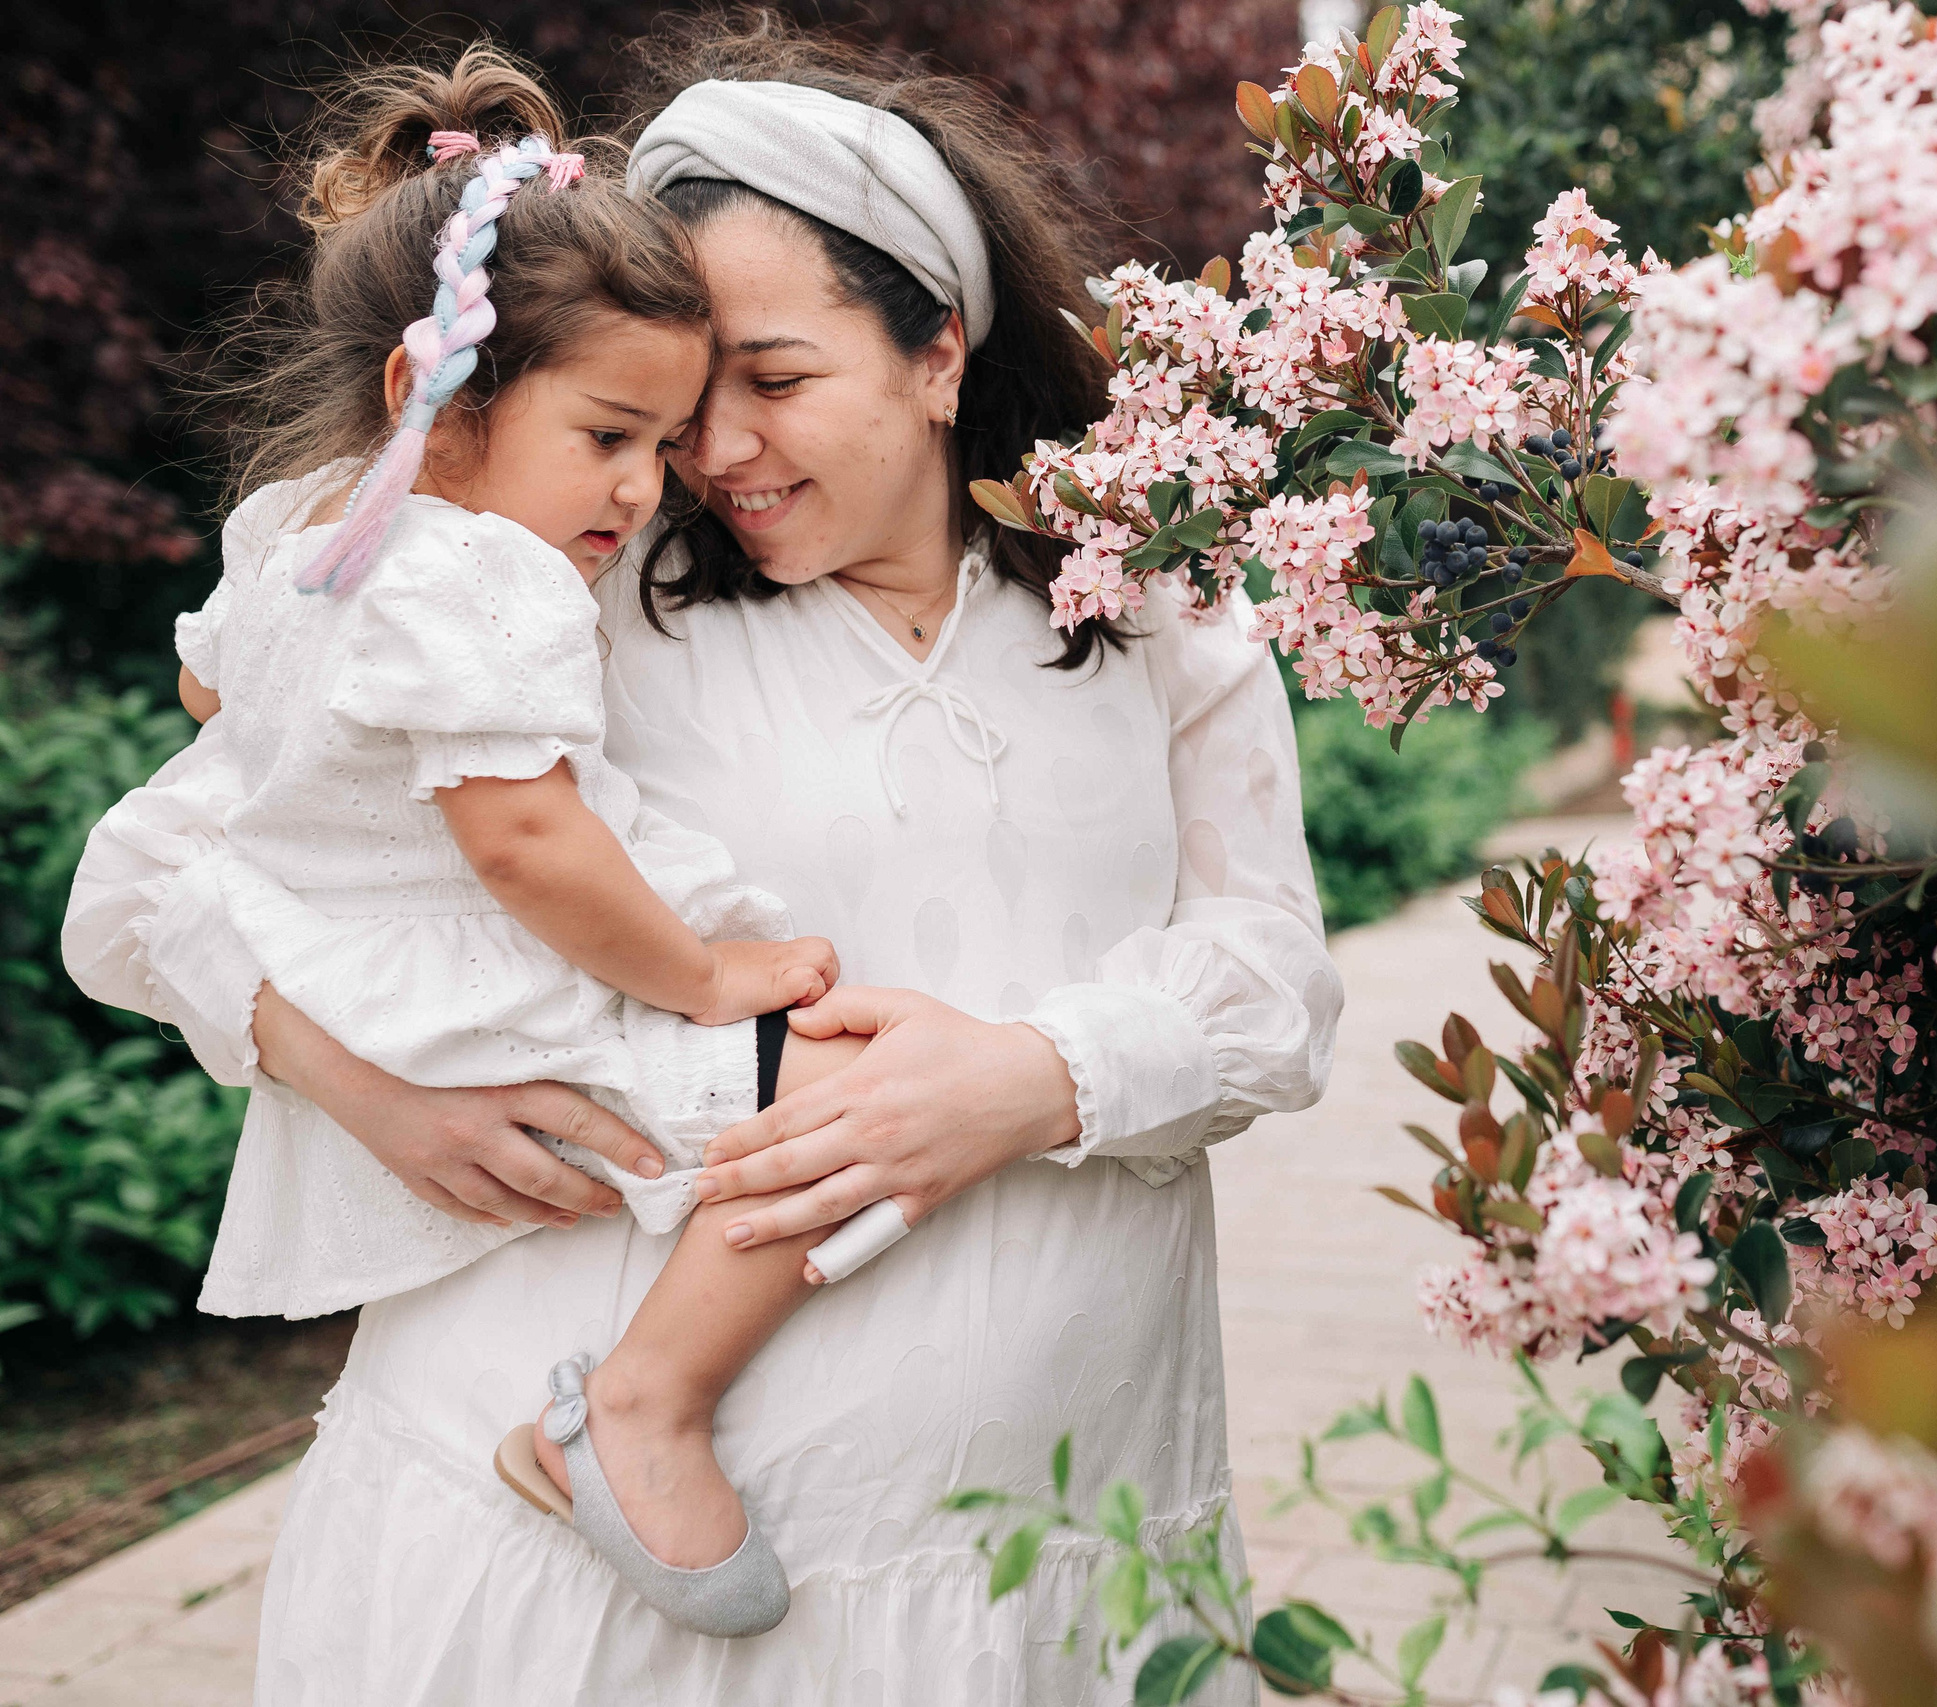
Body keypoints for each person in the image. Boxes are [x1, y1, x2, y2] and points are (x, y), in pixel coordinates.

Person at [65, 17, 1340, 1703]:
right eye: (676, 404)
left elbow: (1278, 983)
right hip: (584, 1571)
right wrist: (362, 1086)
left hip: (1055, 1532)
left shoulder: (1147, 601)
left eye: (781, 380)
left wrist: (1038, 1077)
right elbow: (147, 886)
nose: (711, 454)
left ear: (939, 352)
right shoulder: (564, 581)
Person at [136, 47, 928, 1637]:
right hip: (476, 983)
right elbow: (525, 850)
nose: (649, 489)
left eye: (665, 440)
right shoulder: (481, 582)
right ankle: (632, 1415)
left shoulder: (303, 523)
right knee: (841, 1102)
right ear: (432, 407)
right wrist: (705, 976)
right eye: (612, 437)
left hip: (344, 962)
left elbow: (205, 677)